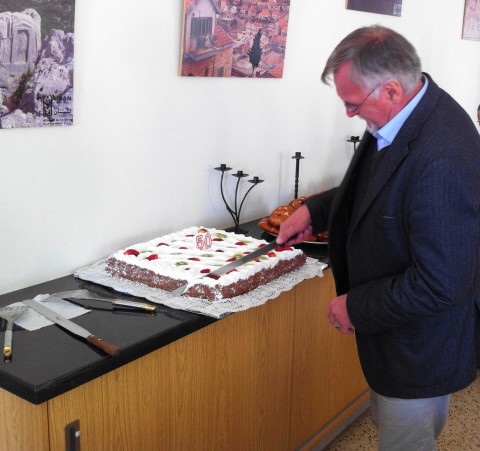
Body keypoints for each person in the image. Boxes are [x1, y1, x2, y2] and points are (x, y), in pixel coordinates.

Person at [277, 25, 480, 450]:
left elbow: (443, 283)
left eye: (353, 104)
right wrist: (317, 210)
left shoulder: (442, 157)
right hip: (398, 337)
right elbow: (379, 185)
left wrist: (356, 305)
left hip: (420, 349)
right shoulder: (409, 110)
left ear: (390, 89)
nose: (349, 115)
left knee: (407, 443)